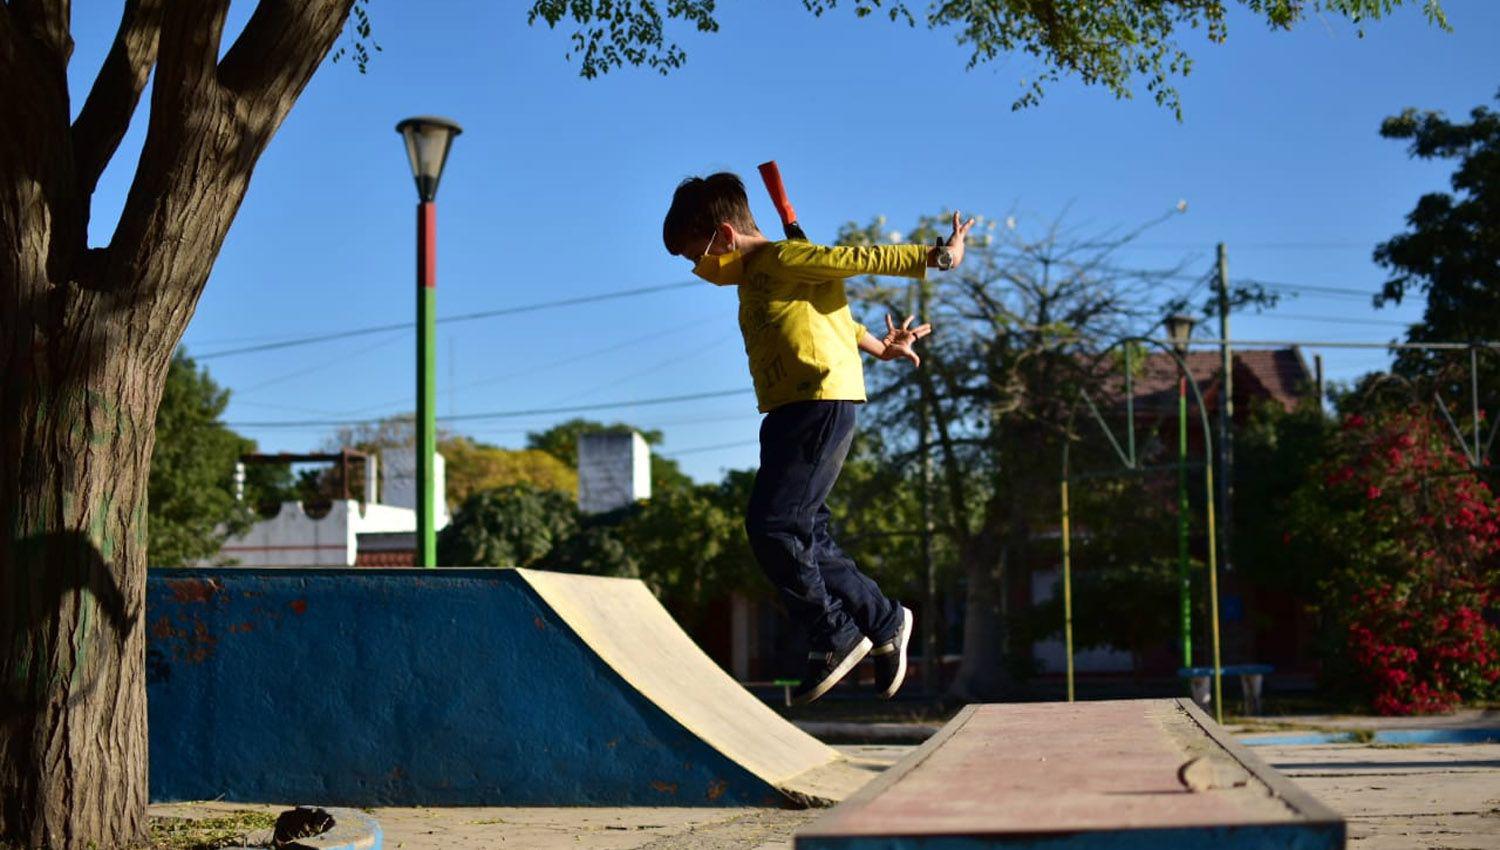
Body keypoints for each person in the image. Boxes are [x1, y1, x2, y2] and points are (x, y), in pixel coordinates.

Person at [662, 172, 974, 704]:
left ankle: (832, 632)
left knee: (772, 525)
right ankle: (884, 618)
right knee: (804, 533)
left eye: (697, 256)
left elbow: (856, 259)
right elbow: (834, 317)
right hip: (787, 411)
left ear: (724, 235)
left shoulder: (784, 259)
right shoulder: (756, 278)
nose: (698, 270)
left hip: (819, 403)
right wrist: (879, 347)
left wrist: (937, 258)